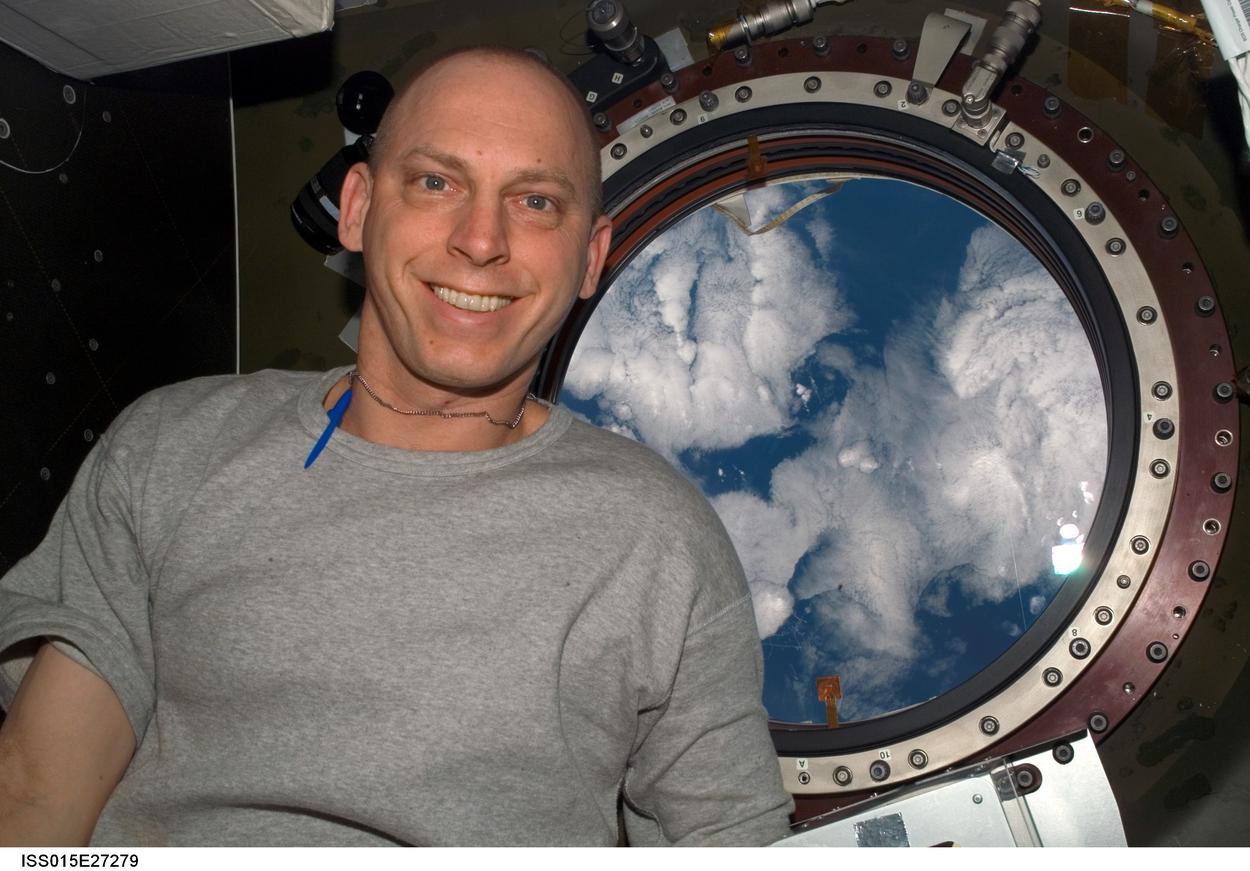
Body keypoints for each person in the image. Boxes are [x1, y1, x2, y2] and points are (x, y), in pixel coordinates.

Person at [0, 46, 793, 846]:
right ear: (356, 208)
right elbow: (35, 796)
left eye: (536, 201)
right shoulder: (173, 445)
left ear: (589, 257)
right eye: (436, 182)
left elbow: (731, 838)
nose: (480, 240)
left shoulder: (660, 539)